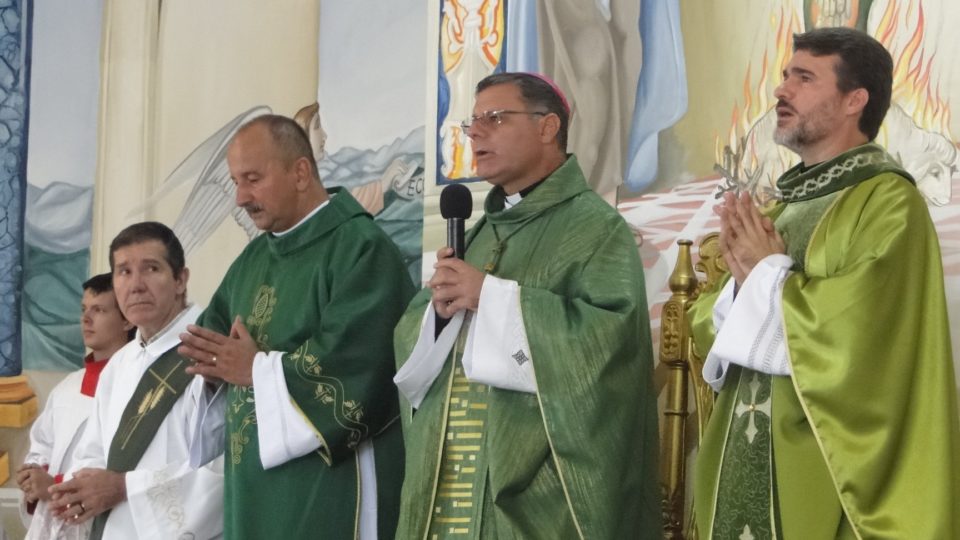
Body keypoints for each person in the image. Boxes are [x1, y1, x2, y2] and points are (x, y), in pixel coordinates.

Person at [689, 27, 960, 539]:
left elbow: (861, 339)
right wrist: (739, 288)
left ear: (855, 100)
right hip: (742, 450)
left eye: (804, 78)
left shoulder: (888, 203)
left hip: (822, 467)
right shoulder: (783, 207)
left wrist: (767, 276)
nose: (780, 90)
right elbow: (706, 325)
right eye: (786, 74)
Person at [392, 72, 661, 538]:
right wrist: (438, 310)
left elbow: (610, 349)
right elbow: (410, 340)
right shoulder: (482, 232)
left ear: (547, 127)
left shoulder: (596, 229)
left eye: (494, 118)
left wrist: (490, 298)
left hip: (537, 501)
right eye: (471, 122)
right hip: (452, 480)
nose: (476, 132)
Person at [179, 114, 415, 539]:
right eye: (235, 181)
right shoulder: (252, 261)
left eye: (252, 179)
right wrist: (208, 367)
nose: (240, 198)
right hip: (251, 486)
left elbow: (363, 366)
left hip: (328, 483)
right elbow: (212, 344)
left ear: (301, 172)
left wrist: (255, 371)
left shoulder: (360, 248)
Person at [49, 222, 224, 540]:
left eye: (151, 268)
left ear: (180, 279)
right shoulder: (119, 365)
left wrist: (124, 487)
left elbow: (226, 470)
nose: (136, 285)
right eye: (124, 272)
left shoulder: (212, 351)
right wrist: (81, 489)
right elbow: (93, 453)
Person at [16, 273, 133, 540]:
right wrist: (33, 477)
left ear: (126, 319)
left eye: (99, 310)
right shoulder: (68, 386)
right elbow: (41, 445)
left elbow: (117, 463)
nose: (86, 319)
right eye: (83, 310)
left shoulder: (134, 387)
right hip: (52, 521)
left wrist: (55, 486)